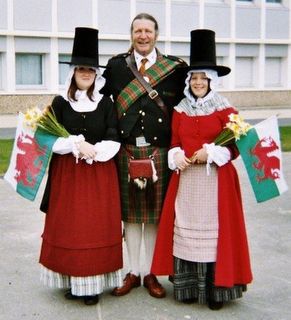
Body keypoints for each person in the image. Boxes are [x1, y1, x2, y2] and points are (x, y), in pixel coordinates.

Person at [151, 29, 253, 310]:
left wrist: (211, 151)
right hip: (187, 182)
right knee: (186, 229)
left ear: (211, 81)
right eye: (193, 78)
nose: (198, 82)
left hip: (216, 181)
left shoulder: (225, 109)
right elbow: (174, 142)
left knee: (215, 232)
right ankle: (188, 289)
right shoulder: (181, 109)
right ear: (189, 81)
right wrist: (175, 156)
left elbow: (233, 148)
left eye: (203, 78)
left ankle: (215, 291)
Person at [101, 13, 187, 298]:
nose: (143, 36)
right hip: (126, 150)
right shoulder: (116, 67)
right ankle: (133, 272)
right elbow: (104, 105)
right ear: (131, 34)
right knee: (130, 216)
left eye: (147, 31)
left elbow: (187, 106)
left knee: (152, 216)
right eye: (137, 31)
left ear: (156, 34)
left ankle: (150, 272)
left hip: (158, 151)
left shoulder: (175, 68)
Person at [39, 27, 123, 306]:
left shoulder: (106, 103)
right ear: (73, 72)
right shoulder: (61, 102)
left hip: (99, 175)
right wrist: (75, 144)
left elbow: (114, 136)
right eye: (81, 69)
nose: (86, 73)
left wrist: (94, 151)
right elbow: (47, 137)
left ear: (96, 74)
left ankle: (93, 284)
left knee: (94, 228)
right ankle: (72, 279)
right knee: (71, 228)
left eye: (90, 69)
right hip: (68, 176)